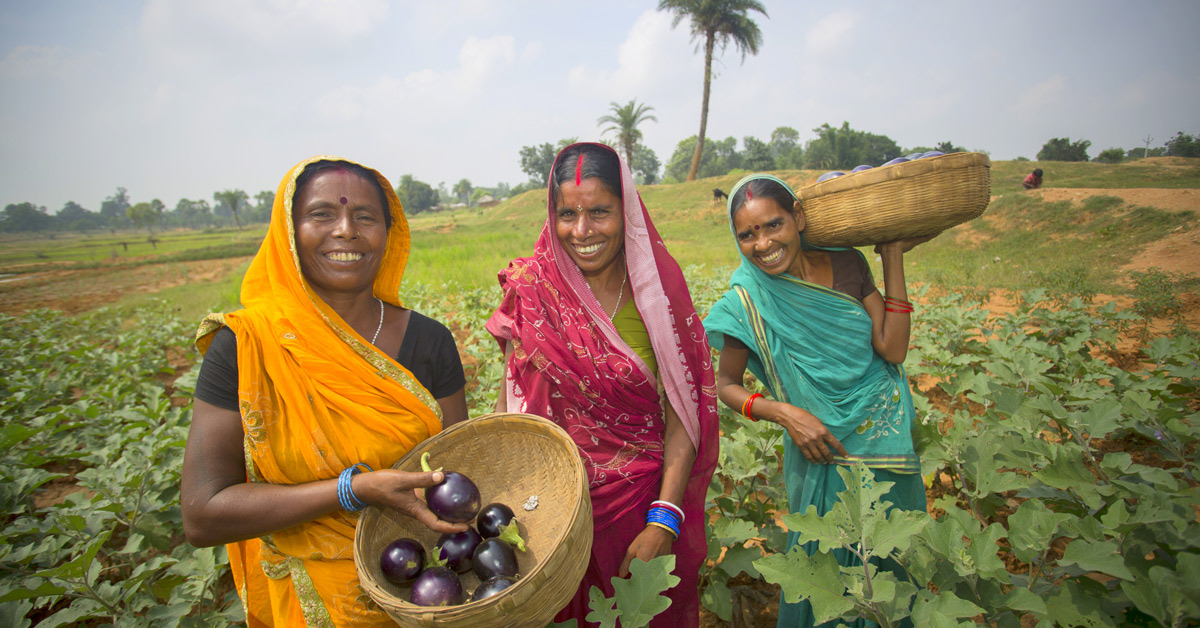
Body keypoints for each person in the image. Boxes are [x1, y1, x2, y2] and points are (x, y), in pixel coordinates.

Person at [181, 156, 470, 627]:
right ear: (289, 232)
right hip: (314, 601)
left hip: (423, 593)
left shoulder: (430, 340)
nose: (345, 231)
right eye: (321, 214)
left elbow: (458, 474)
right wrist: (353, 490)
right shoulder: (248, 346)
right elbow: (203, 514)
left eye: (364, 217)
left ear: (388, 232)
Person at [486, 142, 718, 627]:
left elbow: (683, 421)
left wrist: (665, 519)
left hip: (640, 515)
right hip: (552, 521)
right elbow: (511, 413)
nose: (582, 230)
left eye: (599, 212)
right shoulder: (532, 292)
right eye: (567, 214)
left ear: (626, 211)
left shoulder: (658, 297)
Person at [703, 174, 929, 628]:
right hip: (819, 447)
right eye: (747, 234)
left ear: (798, 219)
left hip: (882, 433)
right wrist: (785, 413)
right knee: (827, 575)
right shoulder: (746, 299)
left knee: (891, 560)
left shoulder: (848, 265)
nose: (763, 243)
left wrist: (893, 260)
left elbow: (893, 350)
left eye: (773, 225)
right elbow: (726, 383)